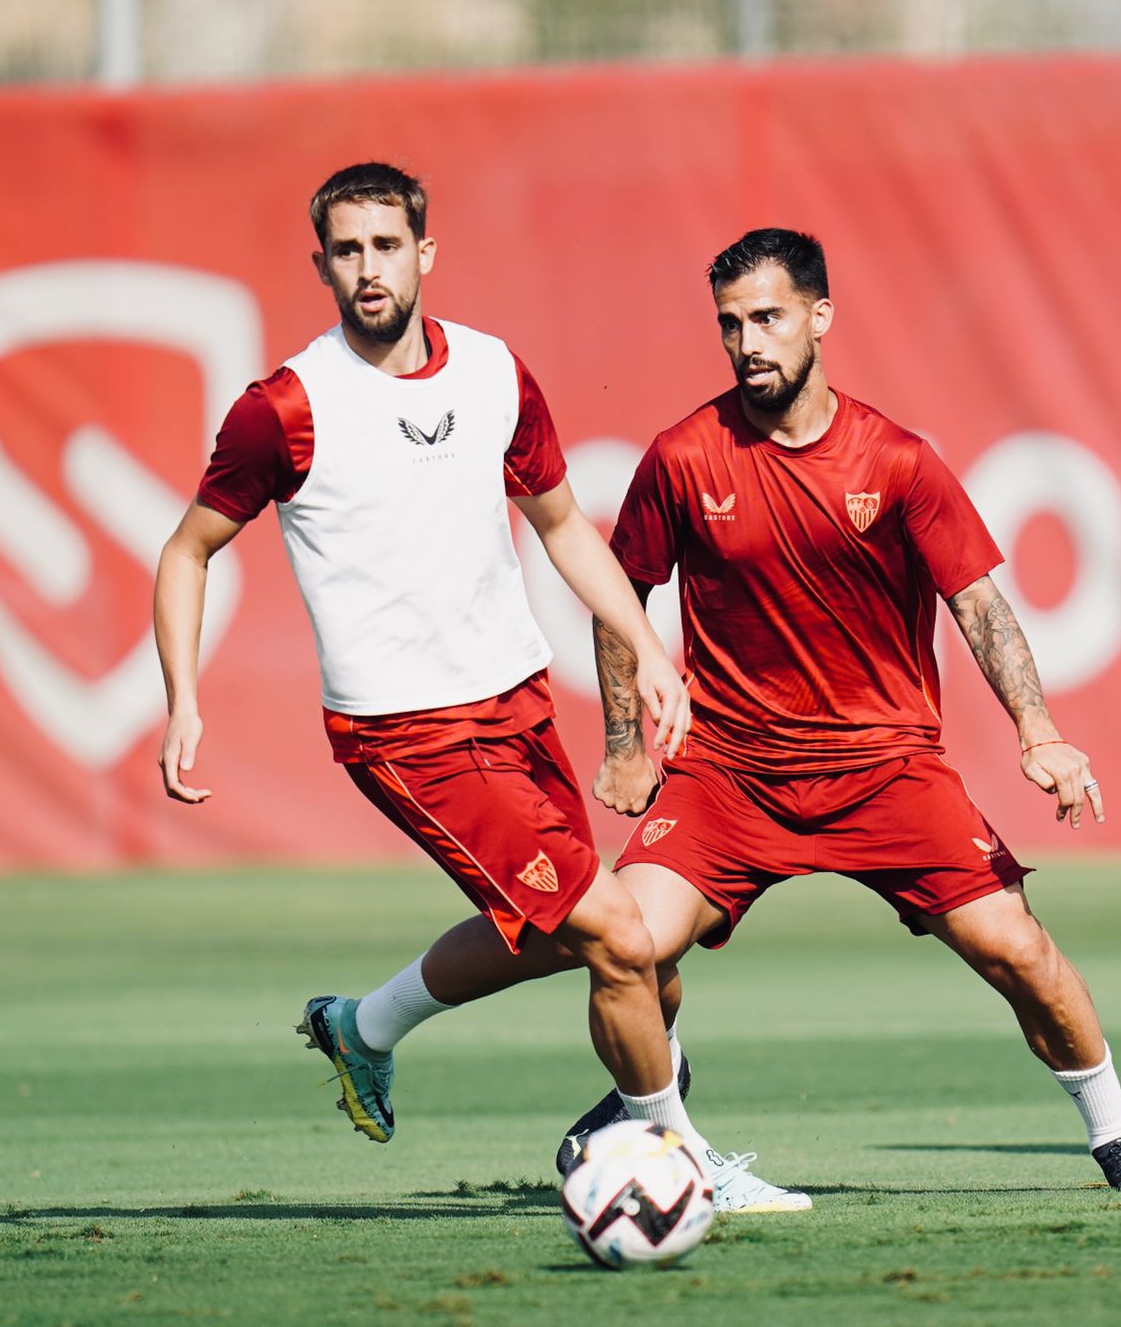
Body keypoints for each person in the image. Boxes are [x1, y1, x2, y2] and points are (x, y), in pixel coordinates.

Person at [149, 161, 752, 1202]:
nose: (367, 268)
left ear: (425, 253)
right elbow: (185, 550)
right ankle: (678, 1166)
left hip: (514, 701)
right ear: (322, 265)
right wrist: (184, 700)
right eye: (346, 250)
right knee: (616, 934)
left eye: (386, 245)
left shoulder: (493, 373)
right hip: (403, 731)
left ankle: (363, 1025)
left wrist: (650, 651)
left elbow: (562, 525)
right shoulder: (284, 408)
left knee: (637, 955)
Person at [559, 227, 1121, 1193]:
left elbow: (980, 605)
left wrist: (1039, 732)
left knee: (1017, 947)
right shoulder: (684, 456)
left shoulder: (897, 460)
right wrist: (625, 746)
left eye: (767, 318)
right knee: (625, 943)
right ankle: (662, 1113)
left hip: (886, 767)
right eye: (730, 325)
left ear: (820, 318)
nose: (748, 342)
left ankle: (1117, 1135)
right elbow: (618, 592)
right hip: (731, 775)